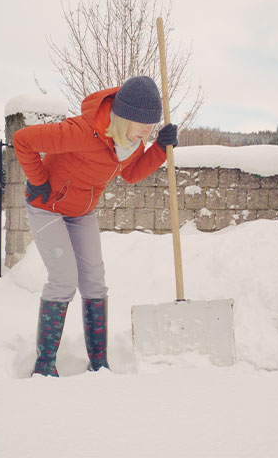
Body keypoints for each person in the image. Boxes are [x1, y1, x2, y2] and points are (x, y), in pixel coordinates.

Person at [13, 76, 178, 377]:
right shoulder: (80, 131)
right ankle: (44, 365)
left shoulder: (132, 144)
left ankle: (99, 363)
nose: (147, 130)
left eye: (151, 125)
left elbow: (131, 174)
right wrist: (38, 181)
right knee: (64, 279)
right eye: (143, 123)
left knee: (94, 282)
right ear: (124, 115)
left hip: (81, 212)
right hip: (47, 207)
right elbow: (23, 140)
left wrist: (159, 148)